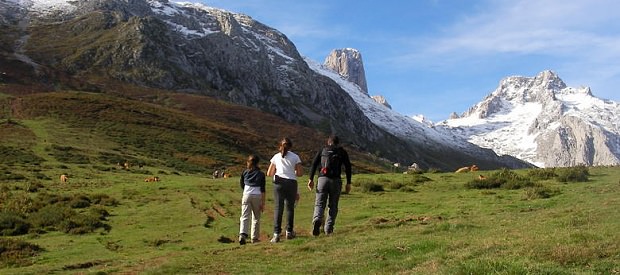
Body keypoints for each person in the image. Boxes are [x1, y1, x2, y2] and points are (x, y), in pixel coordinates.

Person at [307, 135, 352, 236]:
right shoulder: (342, 151)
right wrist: (348, 182)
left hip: (322, 179)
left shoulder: (323, 150)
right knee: (333, 205)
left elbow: (314, 164)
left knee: (319, 203)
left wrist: (310, 179)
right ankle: (328, 229)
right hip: (335, 180)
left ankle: (317, 220)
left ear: (328, 142)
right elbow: (348, 167)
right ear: (337, 143)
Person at [267, 137, 303, 243]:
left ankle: (276, 234)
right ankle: (289, 232)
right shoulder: (295, 157)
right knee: (290, 208)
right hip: (291, 183)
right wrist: (293, 172)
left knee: (278, 208)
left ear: (280, 146)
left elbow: (269, 173)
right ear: (291, 147)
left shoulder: (276, 157)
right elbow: (300, 173)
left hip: (278, 182)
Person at [238, 155, 266, 245]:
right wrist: (263, 203)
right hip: (257, 196)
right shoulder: (261, 174)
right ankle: (254, 238)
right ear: (257, 163)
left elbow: (242, 184)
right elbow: (263, 190)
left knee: (244, 216)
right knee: (256, 218)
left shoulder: (245, 172)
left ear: (248, 162)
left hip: (246, 194)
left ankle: (242, 234)